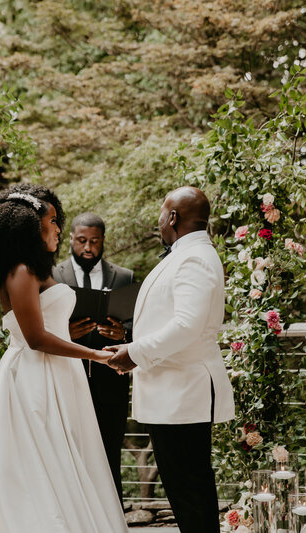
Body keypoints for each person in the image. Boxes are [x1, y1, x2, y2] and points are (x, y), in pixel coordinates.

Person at [0, 185, 127, 533]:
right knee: (37, 462)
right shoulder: (19, 271)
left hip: (60, 374)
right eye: (52, 220)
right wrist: (95, 354)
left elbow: (52, 327)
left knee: (66, 459)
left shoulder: (35, 269)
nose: (58, 228)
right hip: (34, 378)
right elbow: (35, 338)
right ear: (28, 227)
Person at [106, 186, 235, 533]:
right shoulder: (184, 254)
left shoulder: (194, 258)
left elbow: (187, 325)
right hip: (172, 394)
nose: (159, 220)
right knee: (185, 492)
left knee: (191, 493)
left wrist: (134, 353)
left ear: (173, 217)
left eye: (162, 213)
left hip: (183, 394)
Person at [52, 212, 135, 503]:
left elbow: (136, 327)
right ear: (70, 240)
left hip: (110, 382)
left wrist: (122, 335)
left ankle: (113, 520)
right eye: (82, 241)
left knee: (110, 454)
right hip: (65, 381)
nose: (88, 248)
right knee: (67, 455)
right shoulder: (51, 274)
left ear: (103, 241)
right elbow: (42, 326)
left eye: (95, 241)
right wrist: (65, 331)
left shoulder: (124, 276)